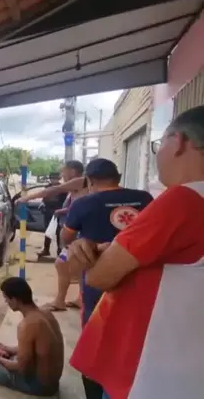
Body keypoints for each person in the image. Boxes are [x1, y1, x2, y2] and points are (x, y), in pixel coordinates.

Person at [67, 106, 204, 399]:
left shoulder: (183, 200)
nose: (158, 154)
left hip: (148, 372)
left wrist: (97, 254)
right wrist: (112, 249)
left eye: (159, 144)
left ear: (179, 142)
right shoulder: (153, 199)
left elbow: (100, 276)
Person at [59, 158, 153, 399]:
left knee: (96, 342)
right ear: (118, 177)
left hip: (98, 284)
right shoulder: (145, 198)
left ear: (90, 181)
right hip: (141, 281)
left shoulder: (83, 203)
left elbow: (66, 238)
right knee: (134, 340)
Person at [20, 160, 87, 311]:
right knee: (78, 268)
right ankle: (78, 299)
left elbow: (52, 190)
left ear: (72, 171)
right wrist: (63, 211)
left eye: (64, 171)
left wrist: (26, 198)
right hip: (77, 232)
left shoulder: (80, 181)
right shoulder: (79, 186)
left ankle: (60, 301)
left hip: (81, 234)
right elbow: (76, 206)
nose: (62, 174)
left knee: (62, 263)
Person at [37, 172, 68, 258]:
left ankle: (59, 250)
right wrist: (43, 204)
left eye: (55, 178)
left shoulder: (62, 188)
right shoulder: (47, 187)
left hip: (58, 212)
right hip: (48, 212)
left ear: (58, 179)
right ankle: (46, 250)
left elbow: (65, 202)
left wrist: (61, 211)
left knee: (58, 232)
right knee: (48, 231)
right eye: (52, 178)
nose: (53, 180)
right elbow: (44, 198)